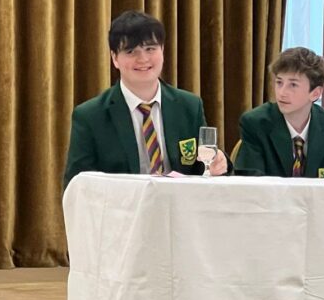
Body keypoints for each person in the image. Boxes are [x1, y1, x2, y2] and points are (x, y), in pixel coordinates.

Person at [63, 10, 228, 188]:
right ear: (114, 58)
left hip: (180, 203)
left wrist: (219, 163)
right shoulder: (90, 116)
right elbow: (77, 186)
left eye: (150, 49)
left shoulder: (189, 106)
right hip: (122, 204)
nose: (143, 59)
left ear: (162, 50)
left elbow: (206, 169)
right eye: (131, 51)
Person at [237, 46, 324, 178]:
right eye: (279, 83)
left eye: (293, 85)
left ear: (315, 93)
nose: (282, 93)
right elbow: (249, 181)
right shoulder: (255, 123)